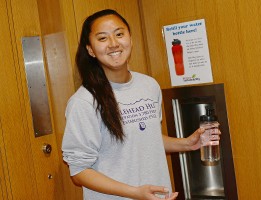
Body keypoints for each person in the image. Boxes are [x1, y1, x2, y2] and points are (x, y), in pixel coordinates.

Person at [62, 9, 221, 200]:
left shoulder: (149, 85)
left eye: (119, 34)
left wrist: (187, 143)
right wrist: (135, 193)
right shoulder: (84, 102)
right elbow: (79, 172)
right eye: (102, 38)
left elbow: (146, 138)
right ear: (90, 50)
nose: (113, 44)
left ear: (130, 38)